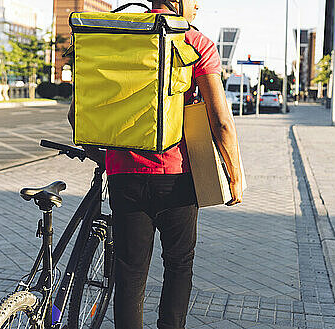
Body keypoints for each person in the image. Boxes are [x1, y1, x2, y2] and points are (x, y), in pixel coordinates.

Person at [68, 0, 243, 328]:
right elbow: (220, 120)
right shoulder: (195, 42)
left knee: (130, 275)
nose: (198, 7)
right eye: (194, 1)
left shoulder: (121, 33)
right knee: (178, 266)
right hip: (177, 177)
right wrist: (234, 175)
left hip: (123, 173)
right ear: (178, 1)